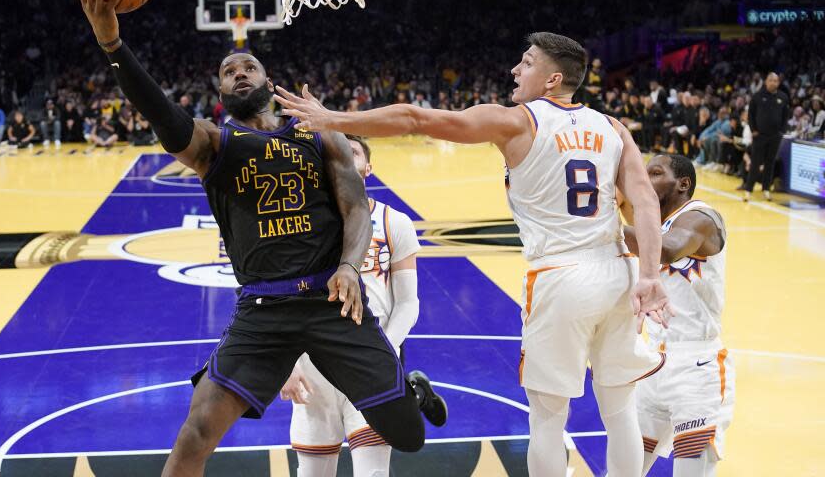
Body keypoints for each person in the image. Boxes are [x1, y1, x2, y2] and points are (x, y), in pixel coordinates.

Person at [76, 0, 437, 477]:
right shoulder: (214, 144)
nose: (240, 72)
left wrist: (352, 268)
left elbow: (356, 207)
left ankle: (413, 389)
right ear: (221, 91)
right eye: (229, 71)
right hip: (263, 310)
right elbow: (162, 114)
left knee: (409, 435)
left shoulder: (319, 135)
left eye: (249, 66)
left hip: (332, 302)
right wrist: (113, 46)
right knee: (195, 434)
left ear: (269, 81)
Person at [275, 31, 672, 477]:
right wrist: (650, 277)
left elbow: (413, 118)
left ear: (552, 78)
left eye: (526, 62)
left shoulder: (518, 121)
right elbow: (645, 199)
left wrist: (332, 118)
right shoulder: (612, 127)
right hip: (618, 270)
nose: (515, 70)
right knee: (619, 410)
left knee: (547, 417)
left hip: (561, 275)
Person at [281, 135, 447, 477]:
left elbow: (408, 303)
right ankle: (413, 391)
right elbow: (283, 303)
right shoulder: (298, 226)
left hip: (370, 362)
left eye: (352, 151)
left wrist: (378, 352)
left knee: (372, 473)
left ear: (368, 168)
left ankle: (408, 389)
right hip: (314, 366)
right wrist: (286, 364)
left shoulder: (393, 222)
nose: (341, 156)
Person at [622, 155, 734, 477]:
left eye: (655, 173)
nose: (646, 179)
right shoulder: (651, 226)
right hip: (653, 360)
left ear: (683, 183)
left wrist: (606, 227)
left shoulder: (702, 217)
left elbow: (668, 248)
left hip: (696, 366)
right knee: (624, 468)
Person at [743, 72, 789, 201]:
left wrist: (782, 131)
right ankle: (748, 190)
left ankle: (766, 190)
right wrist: (753, 130)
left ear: (778, 83)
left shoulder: (783, 97)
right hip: (760, 136)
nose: (773, 82)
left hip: (775, 136)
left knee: (770, 163)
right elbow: (751, 114)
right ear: (766, 82)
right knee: (755, 163)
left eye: (775, 80)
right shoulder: (757, 96)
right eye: (771, 80)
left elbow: (786, 116)